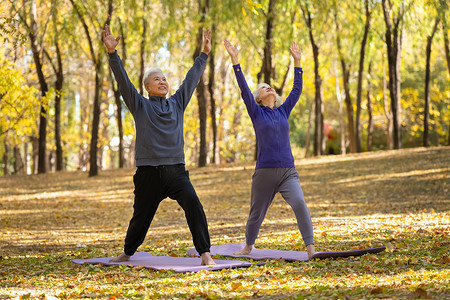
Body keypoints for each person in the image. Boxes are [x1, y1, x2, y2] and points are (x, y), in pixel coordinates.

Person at [103, 24, 215, 265]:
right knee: (140, 217)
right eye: (157, 79)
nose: (163, 81)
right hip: (148, 173)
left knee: (194, 204)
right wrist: (113, 54)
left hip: (176, 171)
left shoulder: (177, 103)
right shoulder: (140, 105)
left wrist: (204, 54)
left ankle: (205, 253)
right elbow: (123, 81)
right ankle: (127, 252)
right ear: (147, 86)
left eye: (164, 78)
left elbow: (191, 80)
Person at [224, 39, 316, 258]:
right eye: (264, 88)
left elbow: (297, 88)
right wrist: (235, 59)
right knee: (256, 214)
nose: (269, 87)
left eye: (270, 86)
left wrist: (297, 61)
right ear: (258, 98)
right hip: (264, 172)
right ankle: (248, 247)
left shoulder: (283, 111)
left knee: (300, 203)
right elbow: (244, 88)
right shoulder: (256, 113)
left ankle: (311, 249)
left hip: (287, 171)